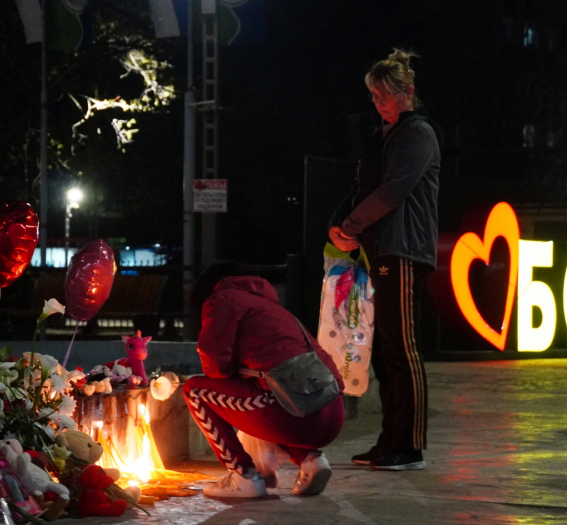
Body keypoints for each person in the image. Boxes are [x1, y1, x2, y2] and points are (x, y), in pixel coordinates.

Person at [328, 48, 441, 471]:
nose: (379, 104)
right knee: (384, 350)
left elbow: (392, 191)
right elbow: (364, 187)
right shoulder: (387, 136)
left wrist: (350, 226)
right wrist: (337, 224)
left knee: (402, 349)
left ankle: (408, 446)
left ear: (407, 93)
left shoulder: (418, 134)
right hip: (380, 249)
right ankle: (391, 441)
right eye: (374, 97)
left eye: (385, 96)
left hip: (403, 249)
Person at [183, 261, 346, 498]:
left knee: (194, 390)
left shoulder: (223, 299)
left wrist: (232, 373)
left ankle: (244, 476)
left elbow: (214, 365)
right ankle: (311, 460)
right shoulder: (271, 308)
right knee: (261, 396)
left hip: (298, 419)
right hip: (333, 413)